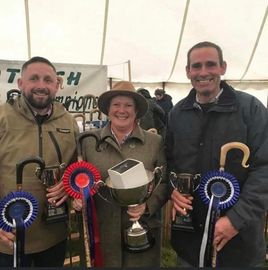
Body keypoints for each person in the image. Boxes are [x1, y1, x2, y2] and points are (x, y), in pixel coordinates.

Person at [166, 41, 268, 267]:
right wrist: (173, 189)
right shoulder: (177, 114)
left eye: (210, 65)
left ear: (223, 67)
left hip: (239, 242)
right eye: (196, 66)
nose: (203, 72)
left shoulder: (250, 109)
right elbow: (169, 162)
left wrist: (235, 219)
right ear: (187, 71)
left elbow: (264, 168)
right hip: (189, 243)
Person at [72, 81, 167, 267]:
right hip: (102, 230)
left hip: (141, 230)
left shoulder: (154, 142)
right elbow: (75, 178)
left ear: (136, 110)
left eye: (128, 105)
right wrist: (76, 198)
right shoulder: (88, 142)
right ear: (108, 109)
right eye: (116, 104)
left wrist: (148, 205)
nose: (121, 110)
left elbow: (163, 182)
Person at [0, 56, 79, 267]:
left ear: (57, 85)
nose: (41, 86)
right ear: (20, 83)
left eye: (48, 80)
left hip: (54, 234)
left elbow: (76, 169)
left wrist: (68, 183)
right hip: (8, 237)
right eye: (34, 78)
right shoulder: (2, 117)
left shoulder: (69, 122)